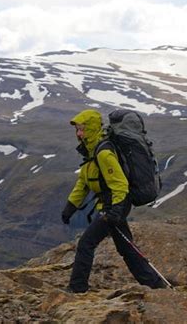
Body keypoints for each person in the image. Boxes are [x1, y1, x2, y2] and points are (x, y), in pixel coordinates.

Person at [61, 109, 165, 293]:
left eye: (82, 129)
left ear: (92, 128)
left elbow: (120, 184)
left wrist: (116, 211)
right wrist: (71, 206)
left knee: (86, 243)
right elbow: (84, 182)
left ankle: (77, 288)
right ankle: (156, 285)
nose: (79, 134)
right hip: (112, 204)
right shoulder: (92, 152)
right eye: (77, 130)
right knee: (126, 248)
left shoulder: (103, 153)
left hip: (114, 205)